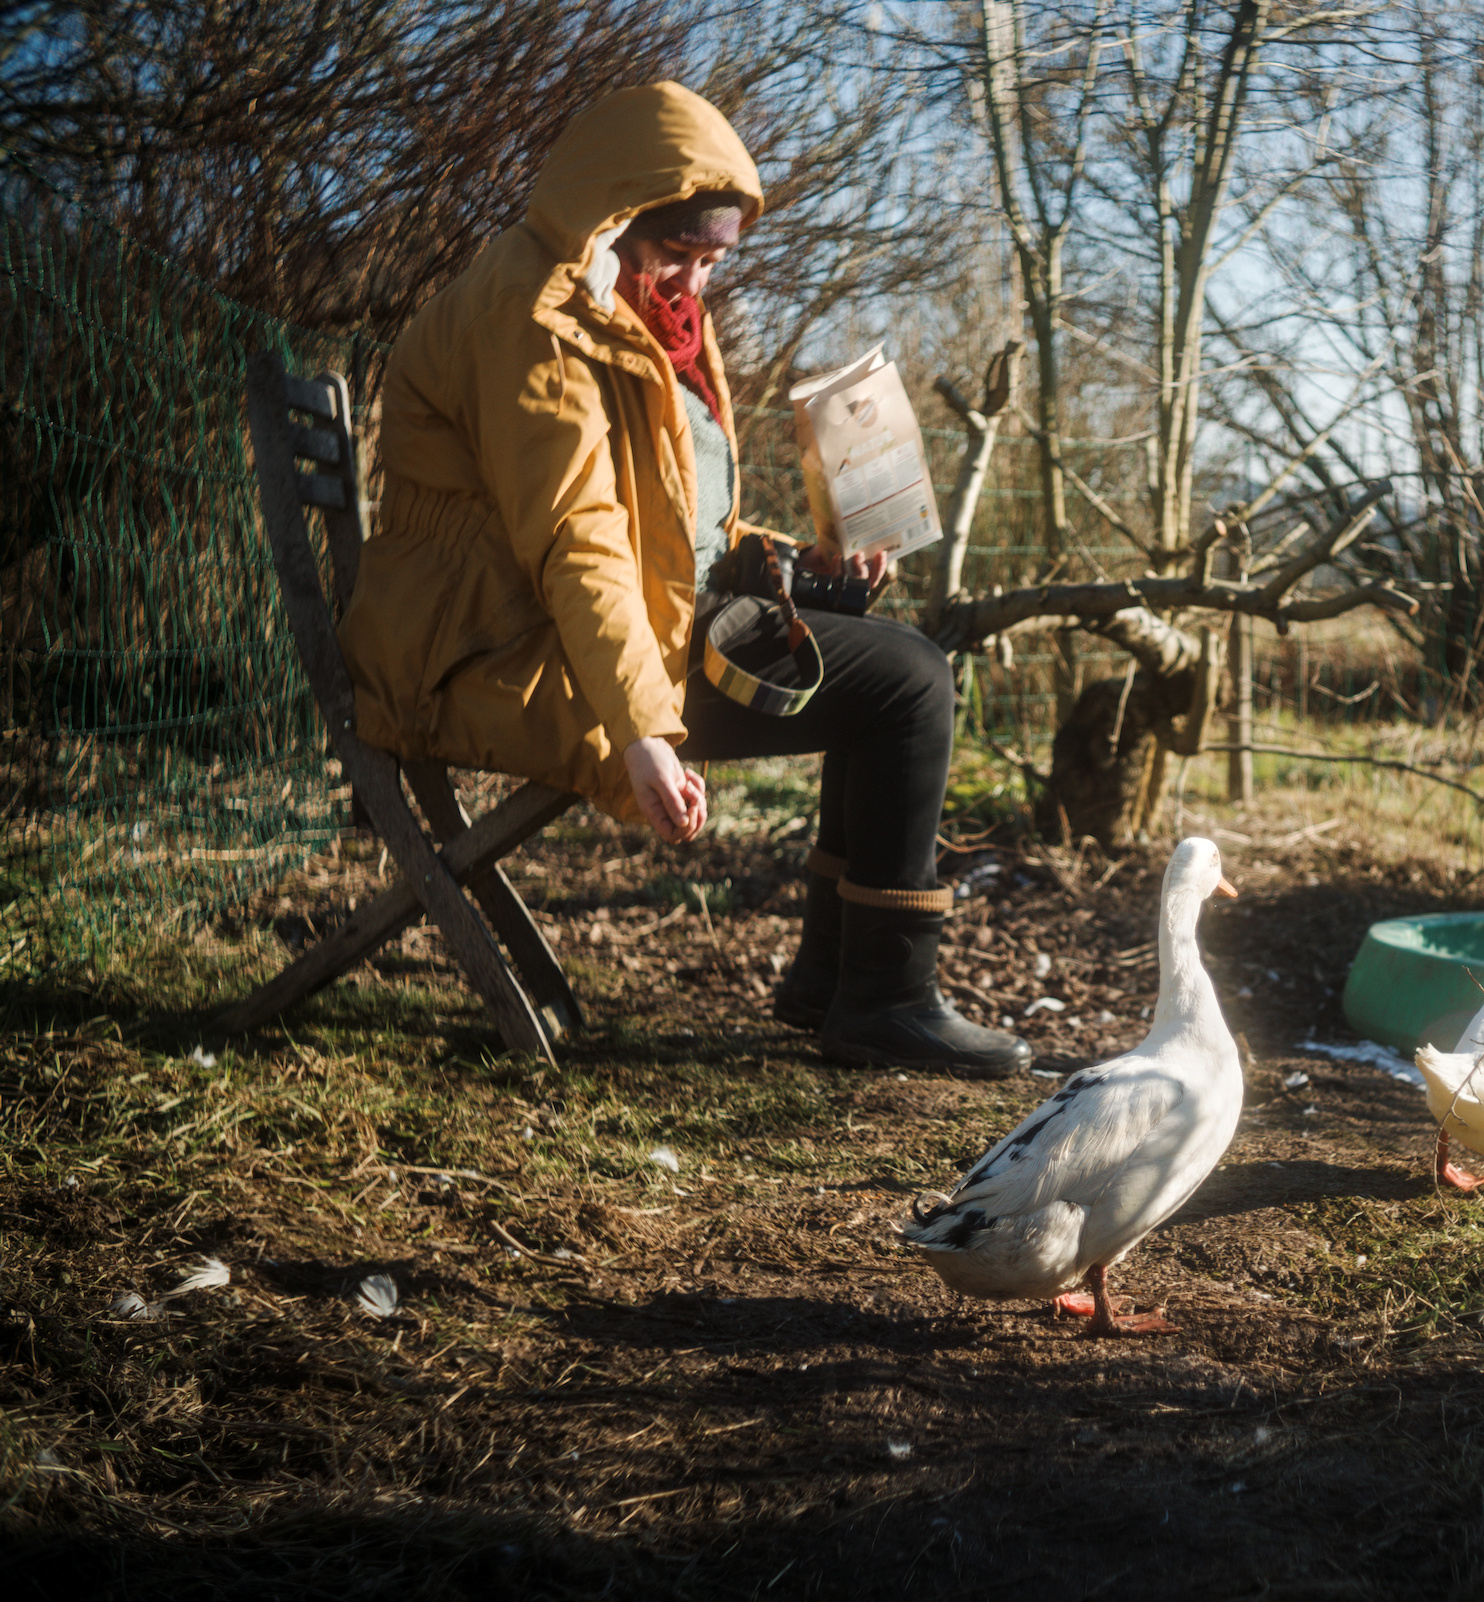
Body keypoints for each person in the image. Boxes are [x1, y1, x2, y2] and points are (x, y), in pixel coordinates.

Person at [336, 81, 1029, 1078]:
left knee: (893, 666)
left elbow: (671, 528)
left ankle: (840, 984)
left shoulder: (614, 311)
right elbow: (578, 539)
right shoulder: (538, 322)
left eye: (712, 263)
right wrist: (645, 733)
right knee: (909, 685)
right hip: (503, 656)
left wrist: (794, 561)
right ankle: (881, 997)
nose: (694, 286)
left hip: (567, 633)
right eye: (677, 256)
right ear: (613, 218)